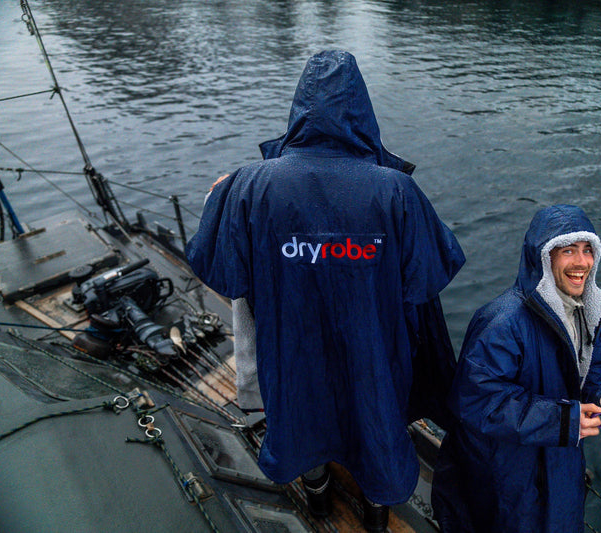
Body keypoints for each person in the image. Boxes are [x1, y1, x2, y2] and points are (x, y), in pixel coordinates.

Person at [186, 50, 464, 531]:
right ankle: (377, 513)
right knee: (378, 422)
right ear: (362, 109)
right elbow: (431, 273)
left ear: (299, 109)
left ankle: (316, 496)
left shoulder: (249, 187)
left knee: (298, 415)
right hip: (374, 355)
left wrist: (222, 199)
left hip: (292, 351)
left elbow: (219, 266)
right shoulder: (396, 191)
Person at [430, 204, 601, 533]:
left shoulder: (584, 312)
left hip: (560, 467)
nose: (582, 262)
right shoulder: (501, 322)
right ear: (543, 258)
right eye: (568, 250)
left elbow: (598, 377)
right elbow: (476, 401)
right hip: (506, 480)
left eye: (588, 250)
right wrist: (561, 420)